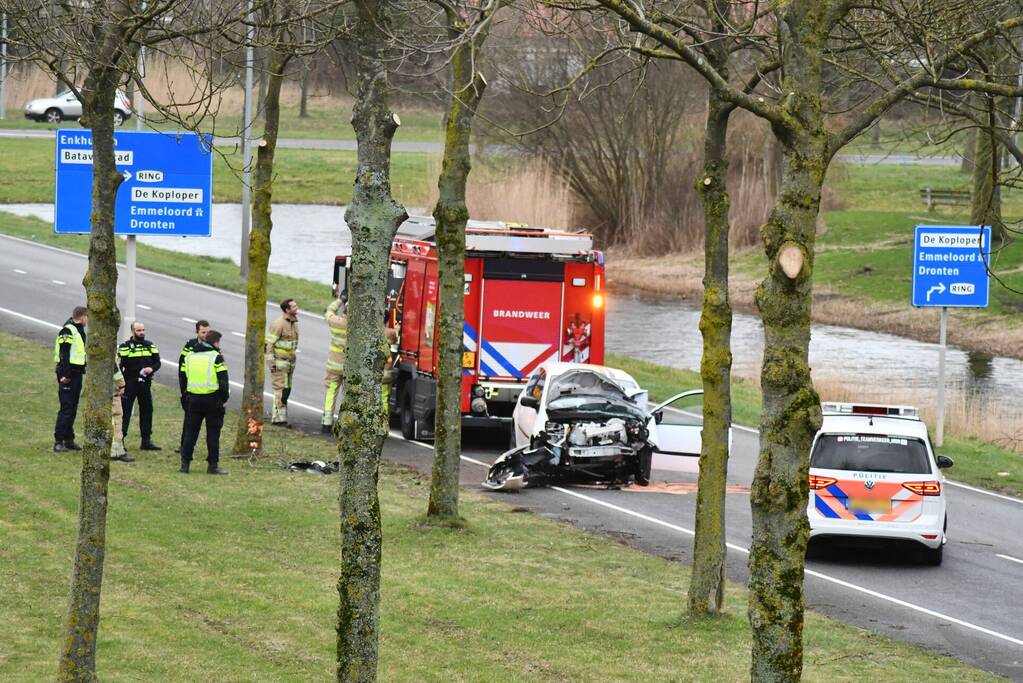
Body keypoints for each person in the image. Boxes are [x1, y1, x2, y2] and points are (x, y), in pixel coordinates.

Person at [178, 330, 229, 475]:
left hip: (193, 400)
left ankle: (185, 464)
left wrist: (185, 395)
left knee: (190, 433)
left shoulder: (189, 357)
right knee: (213, 434)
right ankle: (213, 465)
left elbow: (183, 377)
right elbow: (223, 380)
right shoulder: (216, 357)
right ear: (215, 342)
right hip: (213, 400)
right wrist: (223, 399)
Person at [118, 320, 162, 451]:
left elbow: (157, 362)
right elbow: (119, 365)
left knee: (147, 411)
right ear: (133, 331)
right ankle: (120, 441)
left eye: (143, 330)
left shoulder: (150, 346)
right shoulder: (125, 347)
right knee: (125, 413)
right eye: (138, 330)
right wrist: (121, 384)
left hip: (145, 384)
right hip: (130, 384)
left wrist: (151, 369)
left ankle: (146, 441)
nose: (141, 333)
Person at [53, 306, 88, 452]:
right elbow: (64, 354)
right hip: (68, 373)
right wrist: (65, 375)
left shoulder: (78, 330)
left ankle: (69, 439)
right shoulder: (68, 330)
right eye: (88, 317)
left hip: (76, 373)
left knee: (72, 408)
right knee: (67, 408)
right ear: (82, 317)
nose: (88, 320)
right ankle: (58, 441)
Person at [176, 320, 209, 452]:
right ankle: (184, 445)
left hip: (207, 390)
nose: (206, 335)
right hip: (191, 389)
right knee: (189, 420)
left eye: (207, 332)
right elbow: (182, 367)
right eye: (203, 332)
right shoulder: (190, 345)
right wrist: (183, 389)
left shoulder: (212, 345)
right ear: (197, 332)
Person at [265, 298, 299, 426]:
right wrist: (271, 364)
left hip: (290, 364)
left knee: (286, 391)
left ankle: (281, 418)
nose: (297, 308)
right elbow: (269, 345)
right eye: (294, 307)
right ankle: (278, 419)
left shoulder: (294, 323)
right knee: (280, 390)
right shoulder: (278, 324)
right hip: (279, 364)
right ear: (287, 310)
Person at [321, 298, 347, 433]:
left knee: (330, 393)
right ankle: (345, 424)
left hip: (334, 366)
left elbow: (329, 311)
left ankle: (326, 422)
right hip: (350, 369)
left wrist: (340, 300)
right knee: (349, 396)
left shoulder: (336, 322)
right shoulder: (360, 328)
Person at [110, 368, 134, 463]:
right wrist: (122, 385)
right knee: (116, 421)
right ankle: (116, 452)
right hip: (111, 392)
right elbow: (115, 370)